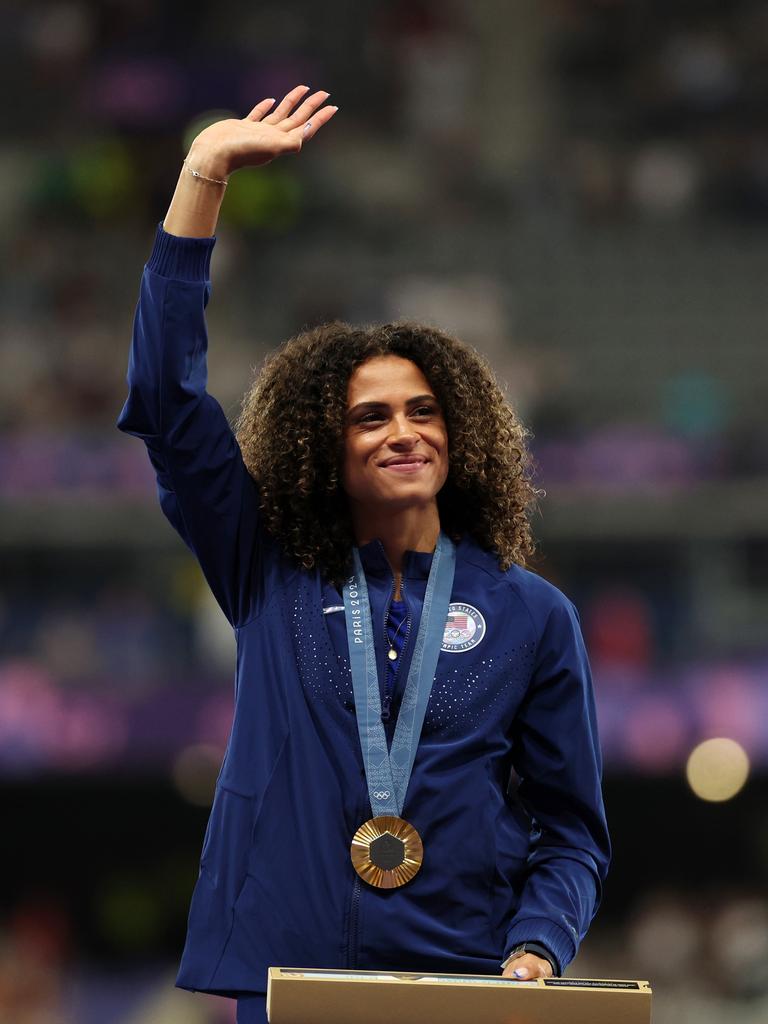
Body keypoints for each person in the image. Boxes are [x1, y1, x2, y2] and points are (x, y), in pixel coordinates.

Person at [117, 85, 610, 1024]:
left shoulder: (535, 616)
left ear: (460, 432)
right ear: (323, 446)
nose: (403, 432)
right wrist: (203, 176)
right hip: (291, 983)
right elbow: (167, 404)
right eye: (370, 417)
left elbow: (573, 830)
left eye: (425, 411)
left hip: (467, 984)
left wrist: (539, 945)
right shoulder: (264, 565)